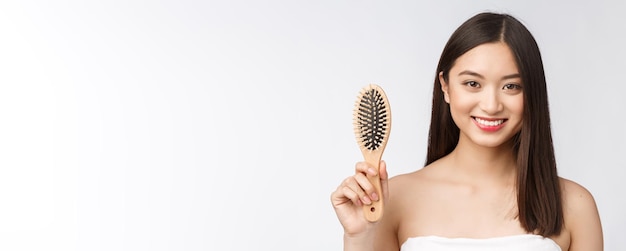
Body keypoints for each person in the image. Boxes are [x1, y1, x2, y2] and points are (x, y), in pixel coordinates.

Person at [330, 12, 603, 251]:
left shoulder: (574, 205)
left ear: (532, 93)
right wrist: (358, 238)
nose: (491, 105)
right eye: (473, 83)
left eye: (511, 87)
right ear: (445, 86)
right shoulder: (395, 199)